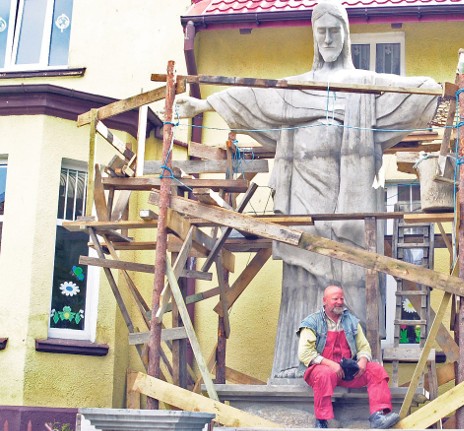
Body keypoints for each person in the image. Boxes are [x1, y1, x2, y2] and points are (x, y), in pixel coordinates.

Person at [175, 0, 441, 379]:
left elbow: (421, 92)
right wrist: (203, 103)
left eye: (335, 30)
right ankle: (292, 364)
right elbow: (255, 98)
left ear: (346, 35)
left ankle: (356, 370)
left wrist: (450, 91)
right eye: (322, 31)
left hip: (350, 208)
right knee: (304, 278)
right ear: (314, 37)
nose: (329, 38)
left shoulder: (364, 85)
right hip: (305, 203)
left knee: (351, 274)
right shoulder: (297, 88)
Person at [298, 285, 400, 429]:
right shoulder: (312, 322)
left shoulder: (351, 321)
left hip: (346, 372)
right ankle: (321, 421)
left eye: (341, 298)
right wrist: (331, 364)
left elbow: (364, 347)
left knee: (376, 370)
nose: (339, 302)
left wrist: (363, 361)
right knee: (324, 374)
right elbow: (305, 353)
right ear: (325, 301)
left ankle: (378, 416)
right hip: (321, 370)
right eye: (335, 299)